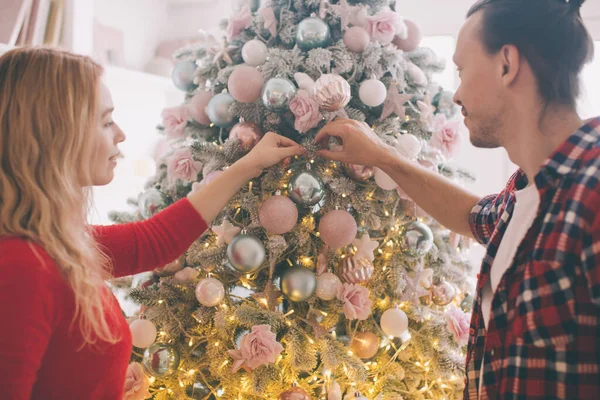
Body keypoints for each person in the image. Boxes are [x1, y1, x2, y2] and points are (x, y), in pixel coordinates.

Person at [316, 0, 599, 399]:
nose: (457, 93)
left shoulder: (593, 188)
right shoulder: (525, 195)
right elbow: (470, 215)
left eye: (463, 71)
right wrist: (380, 155)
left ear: (507, 65)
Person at [0, 47, 303, 399]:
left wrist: (247, 166)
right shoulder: (22, 267)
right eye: (104, 121)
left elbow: (154, 241)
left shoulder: (57, 244)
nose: (120, 134)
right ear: (55, 136)